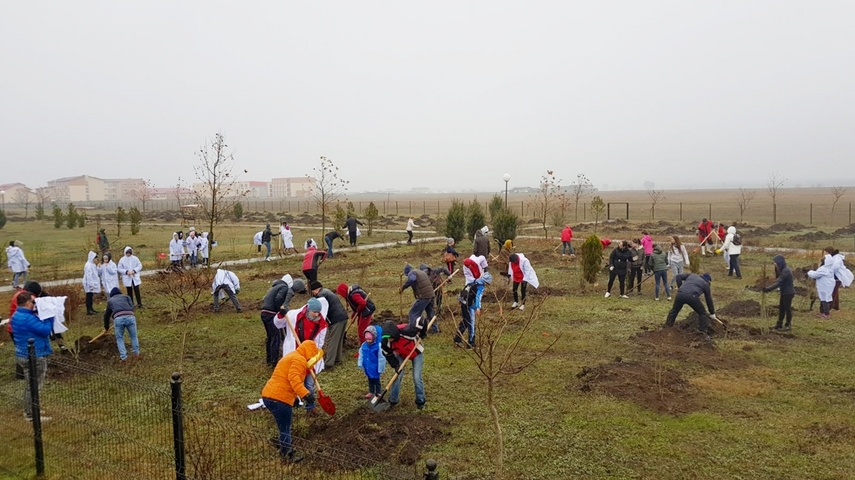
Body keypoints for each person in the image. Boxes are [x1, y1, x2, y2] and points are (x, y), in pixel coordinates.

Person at [261, 338, 322, 463]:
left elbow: (284, 379)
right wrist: (306, 395)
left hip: (268, 395)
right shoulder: (299, 360)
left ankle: (284, 445)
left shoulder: (292, 356)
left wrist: (294, 399)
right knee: (285, 428)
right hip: (280, 399)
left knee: (282, 425)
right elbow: (294, 379)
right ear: (310, 353)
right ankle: (286, 455)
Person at [276, 297, 328, 416]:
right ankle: (290, 401)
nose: (316, 314)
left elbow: (319, 344)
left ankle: (311, 407)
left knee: (309, 383)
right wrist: (281, 315)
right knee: (293, 380)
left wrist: (313, 358)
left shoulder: (321, 324)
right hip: (295, 355)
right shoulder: (294, 316)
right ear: (308, 310)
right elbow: (277, 323)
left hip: (309, 356)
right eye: (314, 312)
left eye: (318, 312)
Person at [11, 291, 56, 422]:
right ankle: (31, 415)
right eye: (33, 302)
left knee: (30, 384)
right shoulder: (28, 318)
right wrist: (50, 316)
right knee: (34, 385)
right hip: (35, 355)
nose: (35, 304)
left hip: (23, 353)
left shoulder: (17, 315)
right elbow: (45, 330)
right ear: (27, 303)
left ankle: (31, 409)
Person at [260, 275, 307, 367]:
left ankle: (269, 359)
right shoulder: (287, 290)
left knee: (270, 337)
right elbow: (283, 304)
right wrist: (284, 313)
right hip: (271, 314)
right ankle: (274, 362)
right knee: (276, 337)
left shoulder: (276, 286)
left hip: (264, 312)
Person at [381, 320, 426, 409]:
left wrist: (423, 333)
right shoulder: (385, 342)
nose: (389, 339)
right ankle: (393, 400)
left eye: (390, 337)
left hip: (416, 352)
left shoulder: (408, 331)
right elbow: (388, 354)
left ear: (394, 334)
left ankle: (420, 402)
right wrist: (396, 365)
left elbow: (422, 321)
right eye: (387, 338)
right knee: (397, 375)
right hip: (401, 353)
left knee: (417, 377)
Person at [311, 281, 348, 368]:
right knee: (338, 339)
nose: (313, 293)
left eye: (312, 291)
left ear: (315, 290)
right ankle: (337, 359)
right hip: (343, 317)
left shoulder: (321, 296)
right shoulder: (327, 291)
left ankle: (328, 363)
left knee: (333, 340)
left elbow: (321, 311)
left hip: (336, 319)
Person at [455, 270, 492, 349]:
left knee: (465, 321)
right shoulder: (480, 286)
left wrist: (460, 300)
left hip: (463, 303)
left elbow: (464, 290)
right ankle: (471, 343)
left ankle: (457, 339)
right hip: (470, 305)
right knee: (471, 323)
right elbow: (478, 297)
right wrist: (478, 308)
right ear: (486, 282)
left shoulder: (472, 282)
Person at [102, 287, 140, 361]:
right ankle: (136, 354)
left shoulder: (110, 301)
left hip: (118, 319)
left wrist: (106, 327)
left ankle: (124, 357)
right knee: (133, 336)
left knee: (119, 338)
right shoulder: (127, 297)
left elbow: (106, 315)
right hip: (130, 317)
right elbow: (132, 307)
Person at [400, 264, 435, 337]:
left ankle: (413, 330)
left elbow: (412, 279)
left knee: (413, 313)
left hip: (424, 296)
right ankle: (435, 329)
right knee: (430, 313)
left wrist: (403, 287)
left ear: (407, 272)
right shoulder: (420, 272)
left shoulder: (412, 273)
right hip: (431, 295)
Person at [763, 255, 795, 331]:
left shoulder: (786, 271)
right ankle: (779, 324)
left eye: (776, 263)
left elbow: (778, 282)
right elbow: (778, 278)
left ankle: (788, 325)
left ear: (780, 263)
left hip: (788, 293)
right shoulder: (782, 269)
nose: (774, 264)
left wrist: (768, 289)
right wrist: (776, 269)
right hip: (784, 292)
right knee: (781, 309)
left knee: (787, 309)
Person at [419, 264, 450, 330]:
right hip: (431, 290)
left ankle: (439, 312)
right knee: (430, 303)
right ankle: (431, 315)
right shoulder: (423, 277)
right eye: (424, 272)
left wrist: (449, 275)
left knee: (439, 300)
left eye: (426, 271)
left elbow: (443, 268)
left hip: (439, 287)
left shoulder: (435, 271)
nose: (425, 272)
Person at [358, 325, 386, 399]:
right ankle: (371, 391)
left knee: (376, 380)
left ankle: (378, 392)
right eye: (367, 339)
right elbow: (361, 355)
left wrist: (381, 368)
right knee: (370, 380)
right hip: (367, 367)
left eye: (370, 339)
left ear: (374, 337)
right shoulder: (364, 345)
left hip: (375, 367)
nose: (368, 341)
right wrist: (360, 363)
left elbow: (381, 357)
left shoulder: (378, 346)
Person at [808, 254, 836, 319]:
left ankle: (826, 314)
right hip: (828, 285)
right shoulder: (830, 268)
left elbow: (815, 275)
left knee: (824, 299)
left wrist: (809, 272)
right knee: (826, 298)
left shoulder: (823, 269)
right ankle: (824, 312)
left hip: (824, 286)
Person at [83, 251, 101, 315]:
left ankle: (91, 308)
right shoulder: (89, 265)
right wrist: (91, 285)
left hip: (91, 283)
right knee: (89, 296)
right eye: (95, 258)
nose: (96, 260)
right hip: (89, 284)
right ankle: (89, 310)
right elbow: (89, 276)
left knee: (91, 296)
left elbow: (95, 273)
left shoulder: (92, 264)